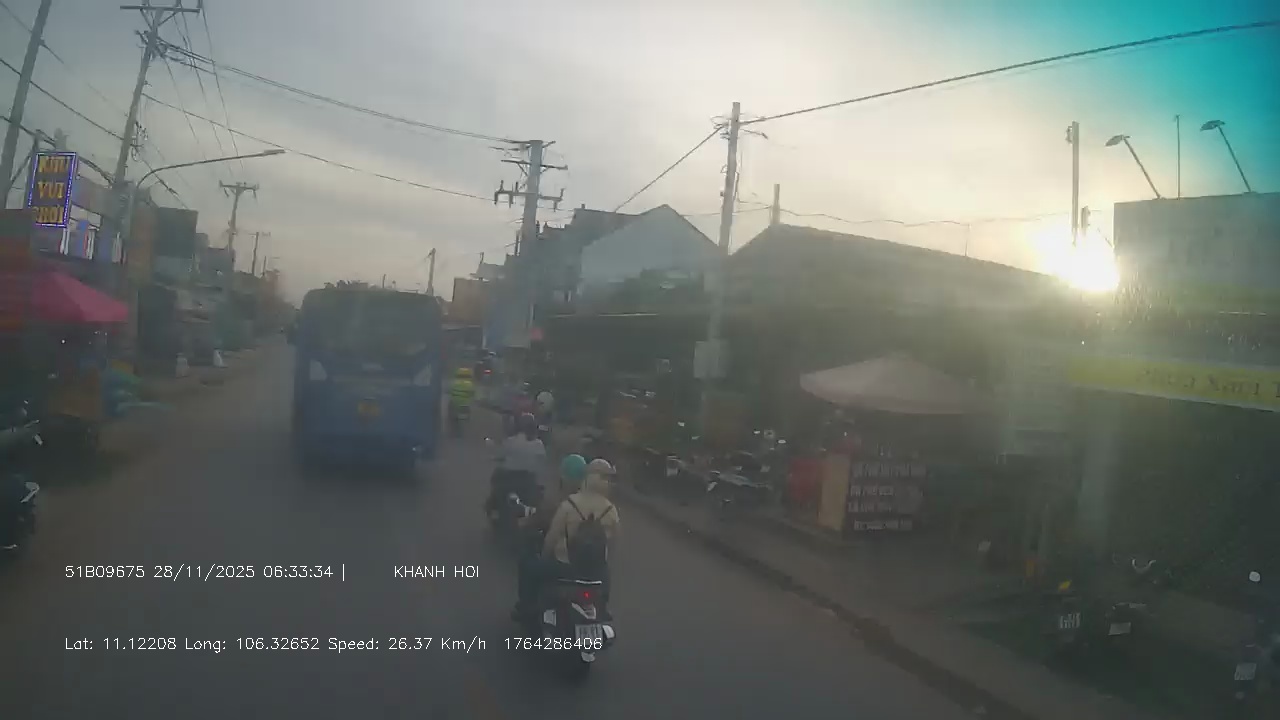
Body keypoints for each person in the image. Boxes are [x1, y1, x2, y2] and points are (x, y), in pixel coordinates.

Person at [512, 453, 588, 620]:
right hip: (593, 568)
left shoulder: (561, 502)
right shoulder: (602, 505)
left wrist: (544, 555)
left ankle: (527, 607)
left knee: (528, 564)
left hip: (565, 564)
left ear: (563, 476)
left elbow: (548, 534)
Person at [540, 458, 620, 612]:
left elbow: (552, 537)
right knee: (604, 589)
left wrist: (544, 556)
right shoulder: (611, 510)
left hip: (566, 565)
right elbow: (613, 543)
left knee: (533, 570)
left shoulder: (569, 504)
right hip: (596, 570)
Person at [488, 413, 547, 514]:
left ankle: (493, 507)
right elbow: (542, 461)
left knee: (496, 479)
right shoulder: (539, 444)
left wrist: (494, 458)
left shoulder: (511, 441)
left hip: (510, 478)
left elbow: (501, 454)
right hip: (528, 480)